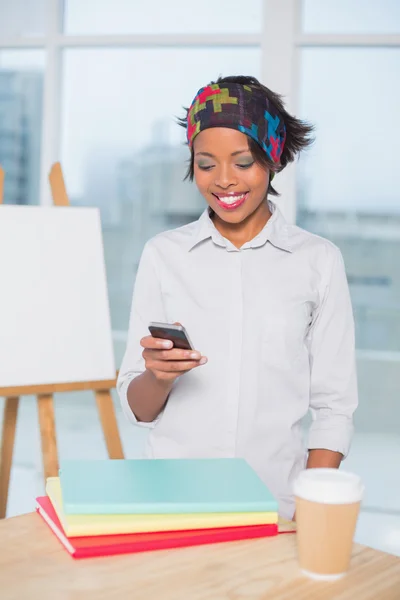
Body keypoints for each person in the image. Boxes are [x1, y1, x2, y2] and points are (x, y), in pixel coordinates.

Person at [117, 75, 358, 520]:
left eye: (243, 162)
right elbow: (139, 408)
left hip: (275, 506)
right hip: (171, 502)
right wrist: (161, 377)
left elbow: (334, 406)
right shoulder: (163, 255)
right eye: (206, 164)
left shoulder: (319, 261)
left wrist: (311, 510)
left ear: (274, 159)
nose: (224, 180)